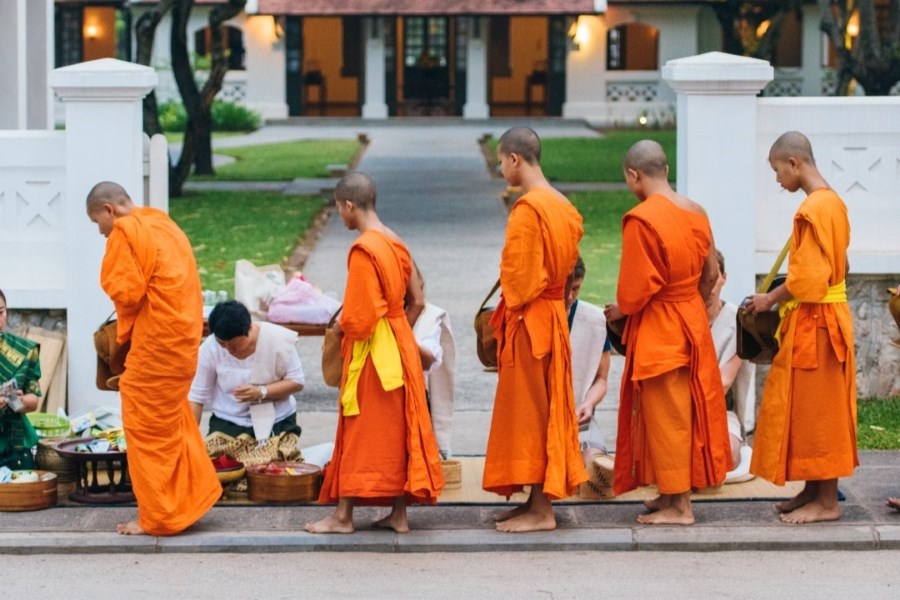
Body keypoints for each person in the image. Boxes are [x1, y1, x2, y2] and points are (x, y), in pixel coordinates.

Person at [305, 172, 444, 534]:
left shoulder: (364, 249)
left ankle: (343, 517)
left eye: (339, 210)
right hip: (400, 343)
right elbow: (417, 301)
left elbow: (360, 319)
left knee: (357, 428)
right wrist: (399, 331)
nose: (341, 217)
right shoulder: (396, 241)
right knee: (399, 428)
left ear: (349, 205)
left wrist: (338, 331)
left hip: (372, 351)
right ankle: (399, 515)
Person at [605, 140, 731, 525]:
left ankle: (680, 507)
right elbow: (711, 274)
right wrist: (692, 302)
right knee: (681, 411)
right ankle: (670, 491)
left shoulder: (642, 219)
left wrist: (619, 310)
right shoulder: (697, 211)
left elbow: (634, 291)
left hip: (661, 326)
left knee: (668, 414)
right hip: (690, 320)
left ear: (634, 174)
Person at [87, 181, 221, 536]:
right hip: (183, 341)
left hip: (158, 344)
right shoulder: (161, 222)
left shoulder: (125, 231)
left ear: (108, 210)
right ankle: (190, 500)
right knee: (172, 422)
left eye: (96, 222)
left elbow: (127, 292)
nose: (100, 232)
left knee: (145, 428)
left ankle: (157, 516)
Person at [745, 131, 857, 524]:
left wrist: (769, 300)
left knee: (820, 413)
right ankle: (812, 490)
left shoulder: (814, 208)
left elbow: (809, 280)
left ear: (795, 163)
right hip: (824, 319)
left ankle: (827, 502)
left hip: (820, 323)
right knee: (810, 411)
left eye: (777, 170)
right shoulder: (831, 203)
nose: (777, 180)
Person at [482, 127, 586, 533]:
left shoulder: (528, 209)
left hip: (531, 322)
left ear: (515, 160)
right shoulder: (563, 205)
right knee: (543, 408)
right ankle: (534, 501)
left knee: (532, 414)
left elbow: (519, 283)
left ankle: (543, 513)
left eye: (500, 160)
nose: (500, 167)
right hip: (553, 317)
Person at [189, 300, 305, 441]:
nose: (229, 350)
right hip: (228, 421)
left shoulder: (277, 339)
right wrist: (190, 441)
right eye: (222, 344)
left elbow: (297, 382)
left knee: (272, 462)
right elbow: (196, 397)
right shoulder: (210, 348)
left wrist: (261, 391)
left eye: (235, 345)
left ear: (250, 329)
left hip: (277, 419)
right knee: (221, 462)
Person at [565, 257, 615, 496]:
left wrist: (588, 403)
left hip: (580, 419)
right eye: (565, 290)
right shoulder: (535, 316)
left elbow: (602, 379)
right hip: (539, 423)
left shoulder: (594, 319)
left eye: (576, 289)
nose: (570, 297)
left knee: (597, 472)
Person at [707, 251, 756, 481]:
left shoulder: (739, 320)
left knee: (723, 455)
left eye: (713, 279)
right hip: (681, 411)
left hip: (721, 411)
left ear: (723, 278)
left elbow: (723, 383)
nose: (709, 288)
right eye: (701, 280)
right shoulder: (680, 319)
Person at [411, 270, 456, 459]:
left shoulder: (429, 317)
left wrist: (400, 336)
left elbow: (429, 359)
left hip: (416, 399)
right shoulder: (374, 315)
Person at [0, 289, 41, 470]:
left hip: (16, 446)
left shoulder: (23, 350)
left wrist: (21, 401)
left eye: (0, 312)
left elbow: (34, 401)